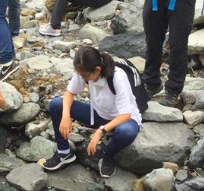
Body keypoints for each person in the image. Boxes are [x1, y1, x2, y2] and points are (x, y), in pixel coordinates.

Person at [43, 46, 141, 178]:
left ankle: (108, 154)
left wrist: (100, 131)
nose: (82, 77)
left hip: (122, 120)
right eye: (79, 74)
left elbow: (125, 115)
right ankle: (64, 152)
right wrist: (66, 115)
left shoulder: (118, 77)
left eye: (84, 75)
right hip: (98, 114)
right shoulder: (83, 70)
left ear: (97, 70)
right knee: (56, 105)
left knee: (126, 132)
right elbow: (69, 93)